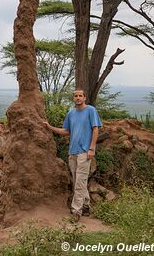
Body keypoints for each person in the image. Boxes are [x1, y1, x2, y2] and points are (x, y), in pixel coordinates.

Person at [43, 88, 102, 221]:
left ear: (84, 98)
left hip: (84, 152)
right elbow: (66, 131)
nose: (78, 98)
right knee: (77, 181)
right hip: (72, 152)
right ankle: (86, 205)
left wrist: (91, 149)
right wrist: (50, 128)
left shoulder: (90, 110)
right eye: (76, 96)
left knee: (80, 181)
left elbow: (95, 129)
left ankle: (76, 211)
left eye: (80, 96)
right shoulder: (71, 113)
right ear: (73, 98)